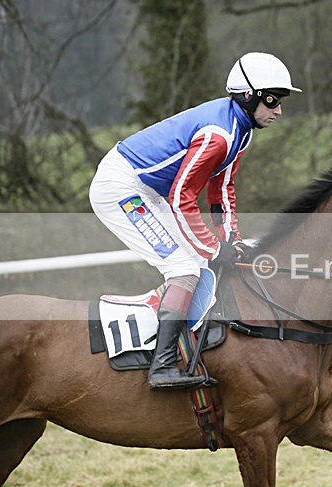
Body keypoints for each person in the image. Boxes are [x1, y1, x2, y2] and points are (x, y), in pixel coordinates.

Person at [90, 52, 301, 390]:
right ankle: (160, 367)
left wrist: (231, 239)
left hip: (149, 189)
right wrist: (214, 247)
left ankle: (184, 343)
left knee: (198, 260)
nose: (279, 110)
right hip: (121, 187)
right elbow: (181, 197)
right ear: (249, 96)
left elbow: (222, 190)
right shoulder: (219, 135)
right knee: (184, 268)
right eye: (273, 100)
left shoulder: (241, 131)